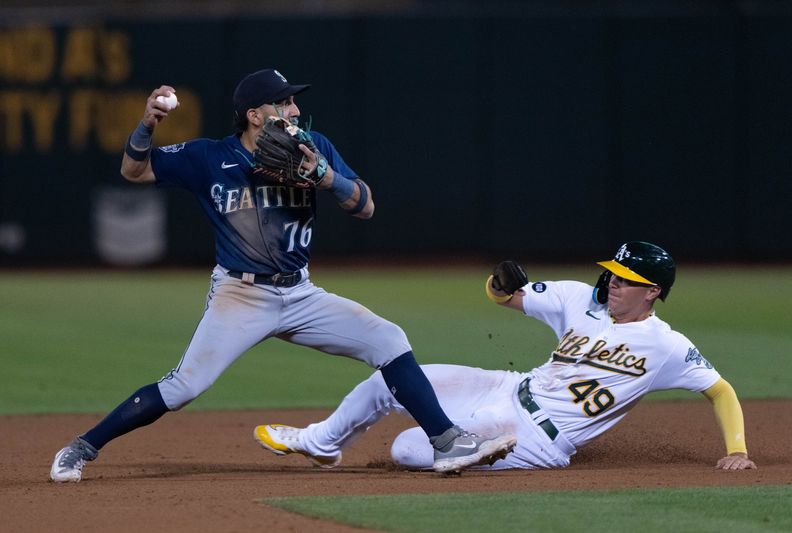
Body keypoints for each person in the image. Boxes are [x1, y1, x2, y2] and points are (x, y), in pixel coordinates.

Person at [49, 68, 515, 482]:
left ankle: (447, 443)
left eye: (294, 100)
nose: (295, 108)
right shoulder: (209, 157)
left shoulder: (314, 149)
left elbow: (366, 206)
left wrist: (328, 177)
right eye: (284, 101)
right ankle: (82, 447)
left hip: (302, 294)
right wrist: (149, 122)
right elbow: (134, 171)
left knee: (389, 340)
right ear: (255, 115)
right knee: (184, 386)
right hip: (240, 296)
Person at [255, 241, 757, 471]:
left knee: (407, 448)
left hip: (540, 440)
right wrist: (499, 286)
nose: (612, 282)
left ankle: (476, 446)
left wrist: (737, 449)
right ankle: (322, 441)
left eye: (626, 280)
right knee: (402, 374)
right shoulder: (578, 298)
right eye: (612, 272)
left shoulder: (666, 345)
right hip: (507, 386)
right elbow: (506, 296)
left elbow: (721, 390)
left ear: (653, 293)